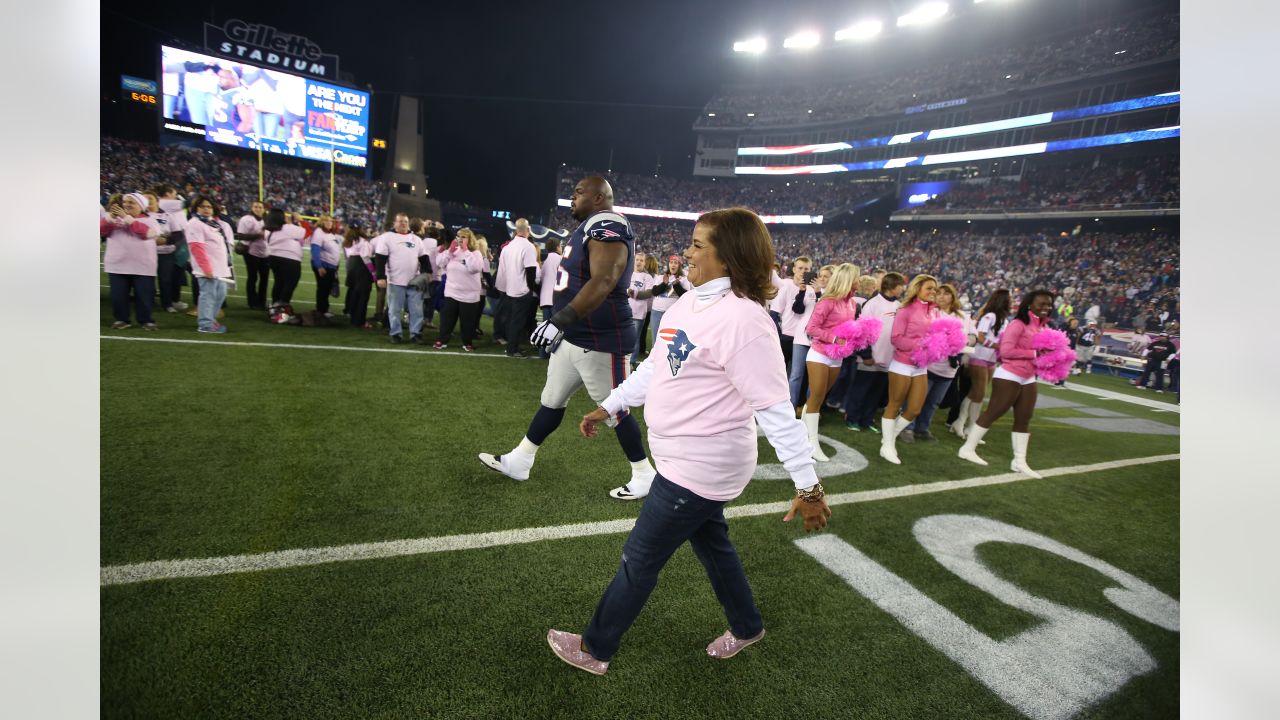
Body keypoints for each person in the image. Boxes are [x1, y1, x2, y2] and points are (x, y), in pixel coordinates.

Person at [547, 208, 830, 676]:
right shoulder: (690, 301)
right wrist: (614, 404)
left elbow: (777, 412)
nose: (687, 252)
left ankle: (595, 649)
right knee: (713, 545)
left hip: (702, 465)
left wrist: (809, 487)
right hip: (683, 456)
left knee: (640, 557)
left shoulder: (745, 321)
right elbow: (658, 366)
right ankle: (746, 626)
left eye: (699, 244)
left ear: (730, 256)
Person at [479, 176, 658, 501]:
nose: (572, 198)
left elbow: (604, 280)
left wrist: (558, 319)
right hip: (575, 336)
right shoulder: (588, 226)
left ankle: (644, 473)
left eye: (579, 192)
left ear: (600, 197)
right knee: (552, 399)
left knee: (616, 410)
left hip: (603, 340)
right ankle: (521, 459)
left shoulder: (608, 224)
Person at [957, 289, 1055, 478]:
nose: (1046, 307)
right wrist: (1034, 354)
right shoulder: (1018, 324)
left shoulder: (1043, 327)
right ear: (1029, 305)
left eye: (1049, 304)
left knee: (1025, 416)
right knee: (995, 411)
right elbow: (1007, 351)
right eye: (1041, 304)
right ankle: (967, 449)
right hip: (1009, 374)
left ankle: (1019, 461)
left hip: (1029, 376)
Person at [801, 263, 862, 462]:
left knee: (819, 398)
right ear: (848, 279)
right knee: (817, 397)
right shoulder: (827, 301)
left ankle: (801, 433)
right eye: (856, 278)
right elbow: (811, 328)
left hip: (837, 358)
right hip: (819, 354)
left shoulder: (852, 303)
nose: (859, 282)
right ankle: (812, 443)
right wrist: (834, 339)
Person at [844, 272, 905, 433]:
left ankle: (867, 419)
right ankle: (852, 418)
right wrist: (866, 355)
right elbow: (862, 331)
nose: (903, 288)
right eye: (901, 285)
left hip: (888, 358)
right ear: (892, 286)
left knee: (876, 392)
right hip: (871, 357)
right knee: (861, 389)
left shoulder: (899, 306)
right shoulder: (873, 304)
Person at [908, 283, 967, 443]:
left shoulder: (962, 316)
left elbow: (972, 337)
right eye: (938, 293)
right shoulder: (931, 312)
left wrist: (960, 341)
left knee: (933, 402)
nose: (941, 296)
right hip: (928, 365)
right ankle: (907, 428)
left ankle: (922, 429)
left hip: (949, 368)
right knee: (917, 398)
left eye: (946, 293)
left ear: (953, 297)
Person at [950, 289, 1010, 439]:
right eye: (1009, 299)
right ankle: (967, 425)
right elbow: (980, 336)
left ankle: (962, 424)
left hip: (991, 359)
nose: (1012, 302)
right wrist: (997, 346)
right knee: (979, 393)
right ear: (1002, 300)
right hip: (980, 355)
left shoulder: (1005, 319)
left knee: (976, 393)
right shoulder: (990, 316)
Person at [101, 192, 160, 330]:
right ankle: (122, 319)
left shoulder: (150, 219)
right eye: (125, 202)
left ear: (141, 206)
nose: (127, 204)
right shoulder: (111, 218)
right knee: (118, 296)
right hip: (117, 264)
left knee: (144, 296)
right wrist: (111, 218)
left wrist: (127, 218)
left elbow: (148, 234)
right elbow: (101, 231)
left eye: (131, 202)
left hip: (143, 265)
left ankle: (146, 320)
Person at [372, 213, 432, 344]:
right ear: (394, 223)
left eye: (405, 221)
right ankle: (395, 333)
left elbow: (424, 257)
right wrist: (380, 277)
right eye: (400, 221)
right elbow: (380, 259)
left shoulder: (416, 239)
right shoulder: (387, 237)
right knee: (394, 310)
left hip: (414, 281)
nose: (403, 224)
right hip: (395, 281)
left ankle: (415, 334)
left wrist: (428, 272)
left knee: (416, 310)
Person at [184, 195, 236, 333]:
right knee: (208, 295)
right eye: (202, 206)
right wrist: (206, 268)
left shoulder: (211, 223)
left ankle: (211, 320)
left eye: (209, 206)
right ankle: (205, 324)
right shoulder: (195, 223)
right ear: (196, 208)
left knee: (220, 294)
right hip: (208, 268)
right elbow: (197, 248)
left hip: (220, 267)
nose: (206, 209)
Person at [784, 264, 830, 414]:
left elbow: (823, 313)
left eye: (826, 276)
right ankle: (790, 408)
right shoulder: (807, 290)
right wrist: (802, 292)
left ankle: (809, 410)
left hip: (819, 340)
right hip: (801, 337)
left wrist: (818, 294)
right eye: (820, 275)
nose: (822, 279)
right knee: (796, 375)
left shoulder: (831, 295)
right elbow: (797, 309)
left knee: (813, 378)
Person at [434, 228, 486, 350]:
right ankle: (442, 340)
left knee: (467, 322)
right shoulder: (452, 251)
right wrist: (449, 251)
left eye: (464, 237)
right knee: (447, 320)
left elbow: (475, 268)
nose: (461, 239)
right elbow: (439, 262)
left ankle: (467, 343)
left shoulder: (475, 253)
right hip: (451, 292)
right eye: (459, 236)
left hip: (469, 295)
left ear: (470, 239)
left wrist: (466, 251)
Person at [496, 219, 541, 358]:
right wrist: (535, 289)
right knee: (518, 321)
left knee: (512, 320)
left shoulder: (507, 247)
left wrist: (502, 288)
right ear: (528, 230)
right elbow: (531, 272)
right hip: (522, 290)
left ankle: (511, 346)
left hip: (510, 289)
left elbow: (501, 271)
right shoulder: (528, 246)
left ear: (516, 230)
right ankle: (513, 349)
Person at [773, 256, 813, 372]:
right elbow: (774, 313)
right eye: (800, 268)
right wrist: (779, 336)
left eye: (806, 269)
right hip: (787, 336)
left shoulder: (812, 290)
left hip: (803, 339)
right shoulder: (786, 286)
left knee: (798, 375)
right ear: (794, 269)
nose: (803, 271)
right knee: (781, 372)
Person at [264, 208, 306, 310]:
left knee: (279, 282)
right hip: (290, 259)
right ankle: (282, 306)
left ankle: (275, 305)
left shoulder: (268, 230)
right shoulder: (287, 228)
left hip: (274, 258)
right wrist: (300, 220)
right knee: (290, 284)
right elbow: (306, 232)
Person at [143, 193, 178, 313]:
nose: (147, 201)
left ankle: (167, 304)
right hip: (145, 253)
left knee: (166, 280)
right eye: (145, 199)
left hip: (166, 253)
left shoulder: (168, 215)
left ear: (157, 201)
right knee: (147, 279)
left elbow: (178, 234)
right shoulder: (140, 215)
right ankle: (148, 303)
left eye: (150, 198)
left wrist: (166, 240)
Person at [625, 252, 657, 369]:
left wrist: (633, 293)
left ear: (644, 263)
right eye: (637, 260)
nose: (638, 262)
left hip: (638, 313)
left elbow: (649, 293)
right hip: (625, 310)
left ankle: (632, 362)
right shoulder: (628, 273)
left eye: (641, 260)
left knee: (635, 338)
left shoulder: (647, 277)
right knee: (623, 336)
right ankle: (622, 359)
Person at [236, 200, 269, 310]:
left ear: (264, 209)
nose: (258, 209)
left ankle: (262, 302)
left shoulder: (267, 220)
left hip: (266, 253)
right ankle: (252, 302)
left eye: (260, 207)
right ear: (251, 208)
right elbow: (240, 236)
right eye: (255, 207)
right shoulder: (246, 219)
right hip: (251, 252)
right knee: (253, 277)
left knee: (264, 279)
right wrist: (257, 235)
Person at [342, 224, 376, 328]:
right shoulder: (362, 240)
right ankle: (360, 321)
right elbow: (365, 258)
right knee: (363, 296)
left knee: (354, 293)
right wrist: (373, 273)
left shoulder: (347, 240)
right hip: (361, 266)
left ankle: (353, 317)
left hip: (352, 264)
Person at [310, 215, 343, 317]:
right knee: (323, 288)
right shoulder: (319, 232)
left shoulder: (331, 234)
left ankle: (324, 308)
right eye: (326, 221)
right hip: (324, 265)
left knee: (327, 288)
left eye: (330, 221)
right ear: (321, 222)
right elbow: (315, 249)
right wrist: (319, 266)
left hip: (332, 267)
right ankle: (322, 310)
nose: (329, 223)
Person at [537, 237, 563, 360]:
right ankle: (553, 353)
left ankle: (543, 353)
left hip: (545, 298)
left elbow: (541, 279)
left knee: (546, 326)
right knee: (556, 328)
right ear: (558, 247)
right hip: (556, 298)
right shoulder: (560, 259)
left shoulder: (545, 260)